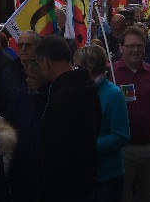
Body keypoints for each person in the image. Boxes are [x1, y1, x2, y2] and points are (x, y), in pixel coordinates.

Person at [34, 35, 101, 202]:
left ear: (46, 63)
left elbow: (58, 149)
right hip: (84, 181)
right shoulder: (85, 87)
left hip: (66, 189)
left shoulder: (65, 95)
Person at [112, 27, 150, 202]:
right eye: (131, 46)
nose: (136, 50)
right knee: (122, 196)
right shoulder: (111, 74)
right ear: (121, 47)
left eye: (140, 45)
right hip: (122, 150)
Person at [74, 46, 130, 202]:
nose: (74, 70)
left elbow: (121, 136)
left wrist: (89, 146)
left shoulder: (113, 95)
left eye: (77, 66)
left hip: (107, 176)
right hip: (84, 173)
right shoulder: (80, 91)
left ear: (89, 68)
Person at [9, 59, 51, 201]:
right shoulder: (21, 96)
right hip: (20, 164)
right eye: (27, 75)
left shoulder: (52, 98)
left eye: (33, 78)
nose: (28, 80)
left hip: (41, 169)